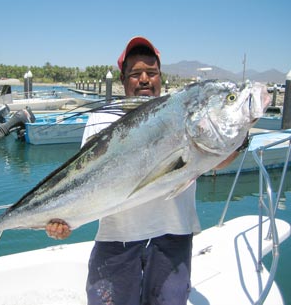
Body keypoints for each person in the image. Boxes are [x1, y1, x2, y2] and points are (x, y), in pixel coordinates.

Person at [45, 36, 239, 305]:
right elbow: (83, 184)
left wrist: (240, 136)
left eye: (152, 72)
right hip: (117, 240)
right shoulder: (102, 119)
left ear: (161, 78)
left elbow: (216, 161)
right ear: (124, 81)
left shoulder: (183, 112)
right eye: (136, 74)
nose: (145, 79)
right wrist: (63, 220)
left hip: (173, 237)